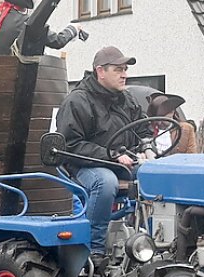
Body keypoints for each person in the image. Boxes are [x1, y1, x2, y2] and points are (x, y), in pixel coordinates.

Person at [56, 46, 147, 258]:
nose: (125, 74)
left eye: (125, 69)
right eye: (118, 69)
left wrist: (147, 148)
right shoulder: (77, 101)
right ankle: (95, 248)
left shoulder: (128, 100)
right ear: (100, 71)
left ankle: (152, 239)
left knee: (157, 174)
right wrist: (112, 155)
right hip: (83, 165)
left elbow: (142, 129)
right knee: (105, 183)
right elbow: (70, 145)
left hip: (120, 162)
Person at [0, 0, 81, 56]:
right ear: (24, 7)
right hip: (15, 79)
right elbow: (57, 41)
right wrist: (72, 29)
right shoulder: (28, 23)